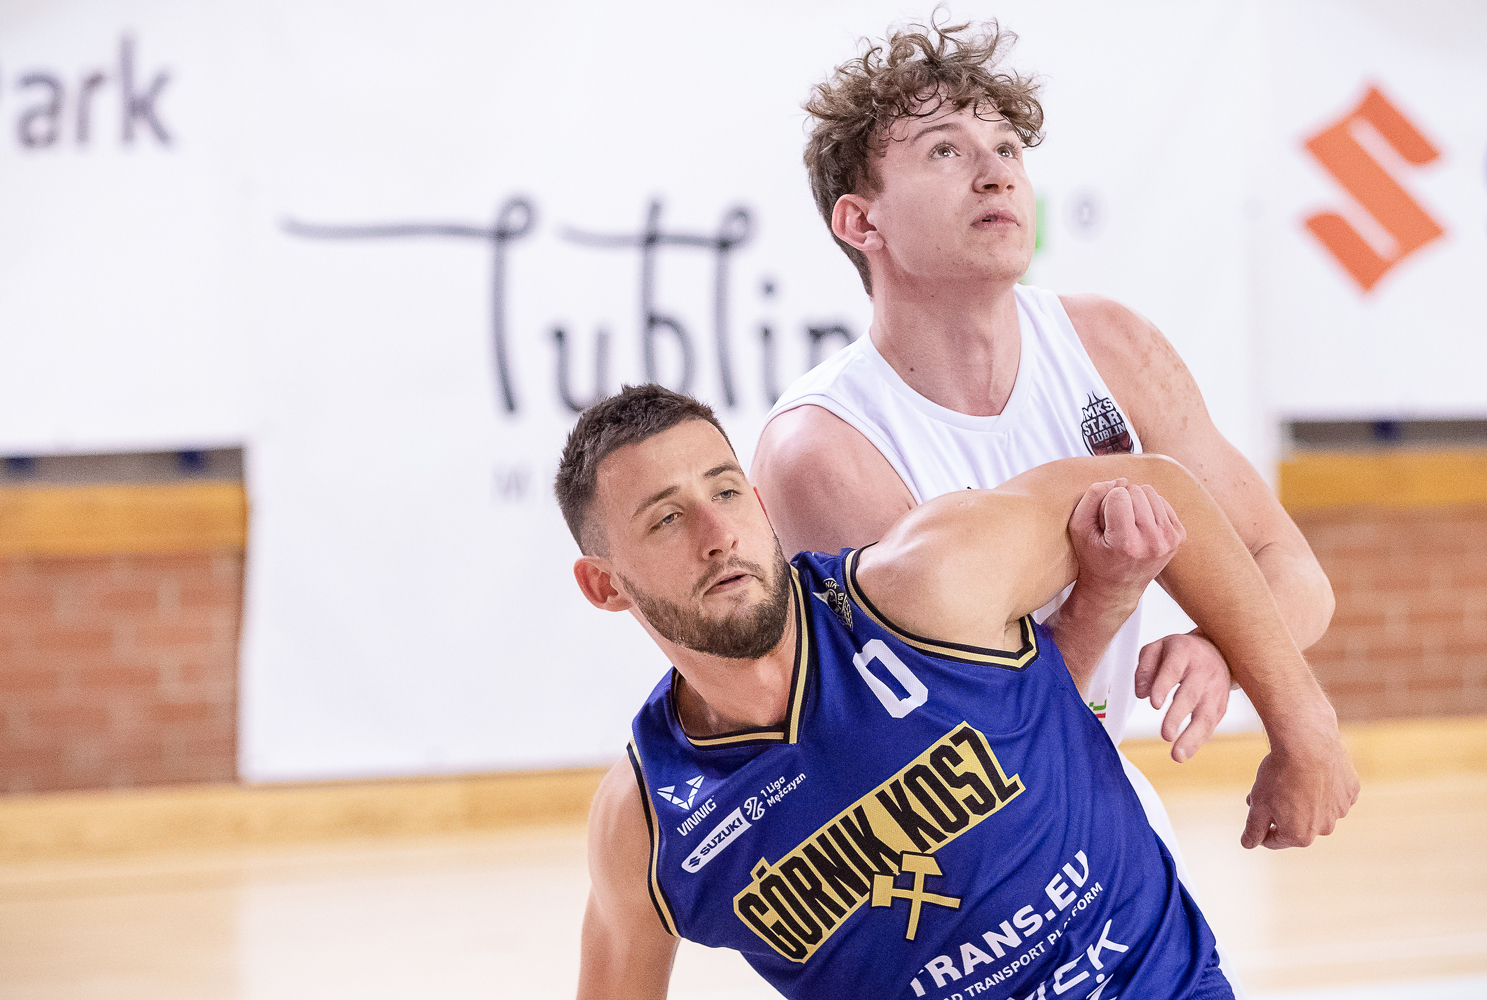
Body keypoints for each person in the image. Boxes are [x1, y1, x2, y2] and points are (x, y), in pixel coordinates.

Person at [751, 17, 1356, 855]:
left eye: (1006, 148)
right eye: (944, 150)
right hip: (956, 860)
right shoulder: (822, 449)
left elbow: (1291, 573)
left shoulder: (1110, 344)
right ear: (860, 223)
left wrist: (1225, 647)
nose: (995, 171)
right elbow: (967, 753)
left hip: (1096, 791)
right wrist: (1104, 598)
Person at [559, 384, 1348, 1000]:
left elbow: (1151, 485)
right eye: (666, 519)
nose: (717, 534)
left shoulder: (922, 584)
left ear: (759, 506)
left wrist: (1302, 729)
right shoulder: (646, 823)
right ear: (604, 585)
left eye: (726, 492)